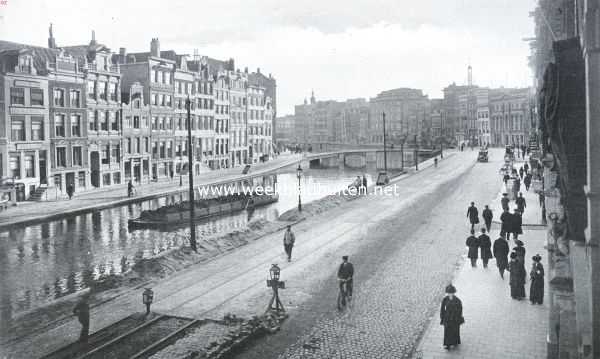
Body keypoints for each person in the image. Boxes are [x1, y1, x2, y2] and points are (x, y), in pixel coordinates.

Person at [440, 284, 463, 350]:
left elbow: (460, 310)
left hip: (455, 318)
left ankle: (455, 341)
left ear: (453, 293)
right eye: (449, 293)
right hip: (447, 318)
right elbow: (442, 309)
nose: (450, 294)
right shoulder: (445, 299)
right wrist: (442, 316)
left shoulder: (457, 300)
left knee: (455, 330)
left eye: (451, 293)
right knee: (447, 331)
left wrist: (458, 317)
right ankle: (448, 344)